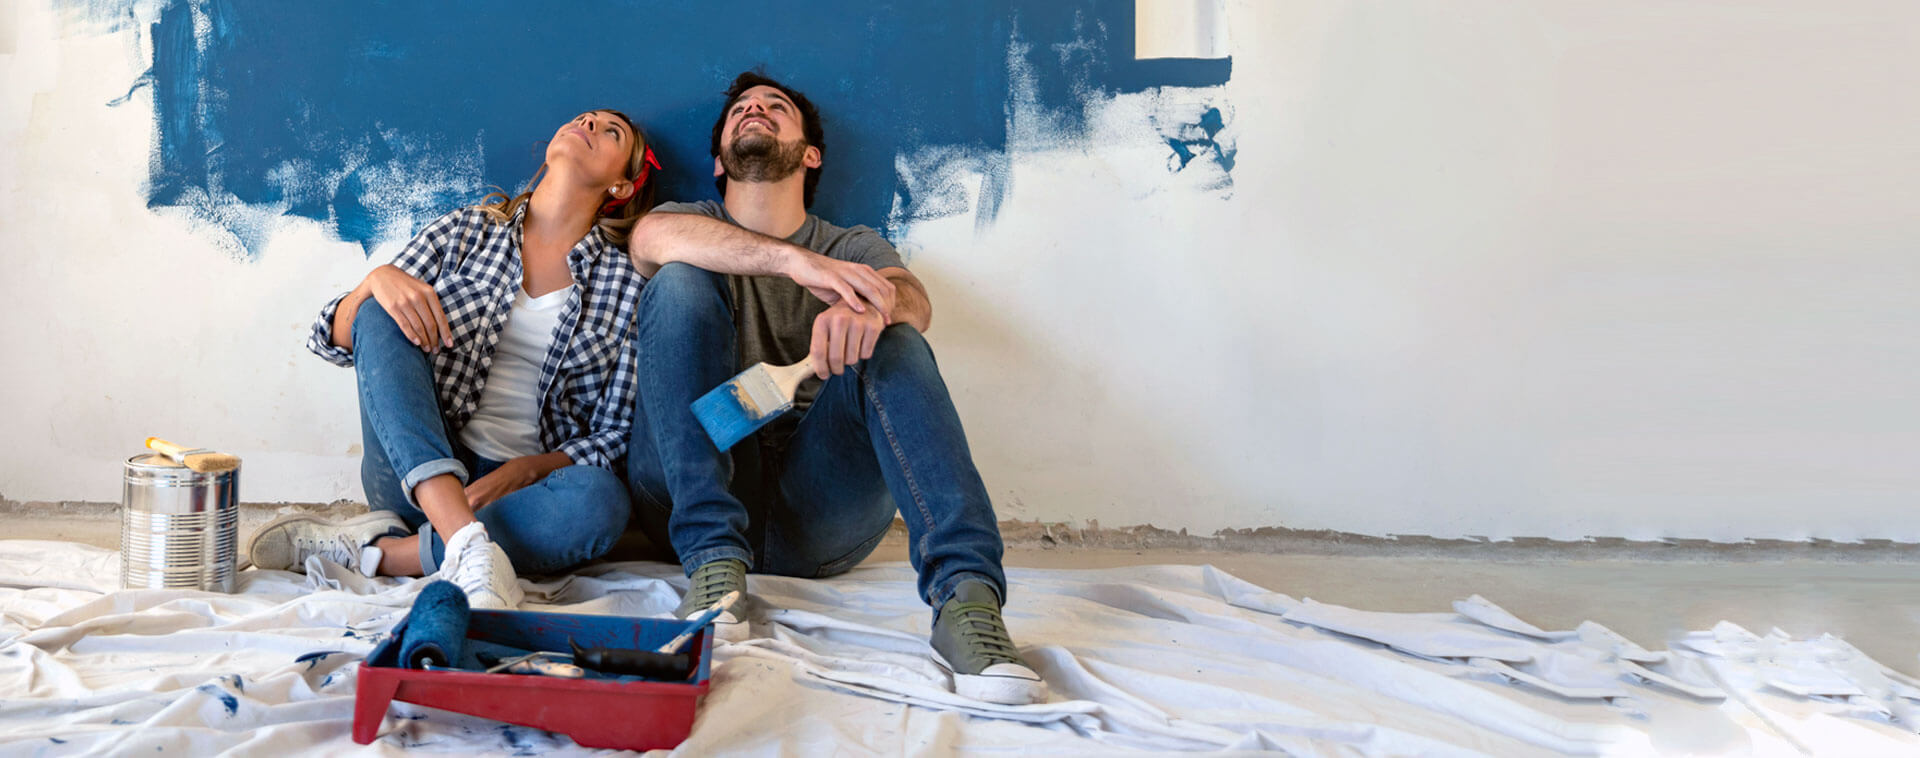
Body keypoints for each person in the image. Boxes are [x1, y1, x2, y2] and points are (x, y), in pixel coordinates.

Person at [623, 71, 1047, 704]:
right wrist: (792, 260)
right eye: (742, 108)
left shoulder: (852, 246)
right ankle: (714, 564)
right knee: (678, 282)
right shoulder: (685, 220)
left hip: (816, 509)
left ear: (810, 153)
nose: (756, 111)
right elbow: (651, 241)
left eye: (775, 106)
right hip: (691, 491)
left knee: (898, 338)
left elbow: (916, 301)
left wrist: (874, 308)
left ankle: (967, 602)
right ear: (718, 162)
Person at [248, 110, 658, 610]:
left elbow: (616, 434)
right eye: (584, 118)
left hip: (525, 499)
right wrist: (374, 280)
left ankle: (382, 554)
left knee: (602, 503)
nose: (589, 125)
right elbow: (335, 338)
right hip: (414, 473)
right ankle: (464, 542)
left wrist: (524, 471)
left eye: (609, 132)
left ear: (621, 185)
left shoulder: (629, 286)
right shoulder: (466, 232)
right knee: (380, 308)